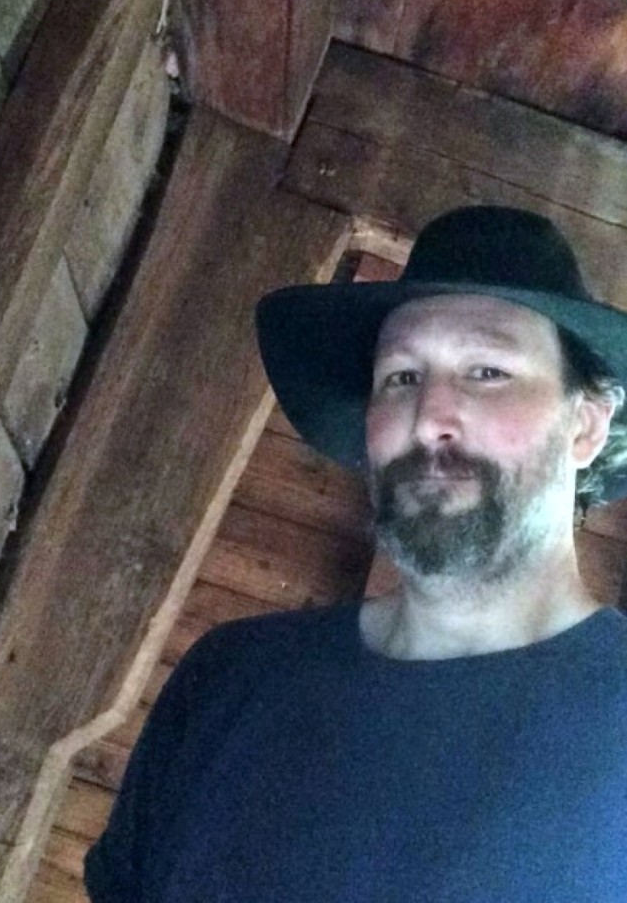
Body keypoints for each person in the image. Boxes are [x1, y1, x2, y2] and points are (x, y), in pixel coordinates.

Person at [85, 206, 627, 902]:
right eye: (400, 376)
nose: (429, 413)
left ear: (584, 424)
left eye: (487, 370)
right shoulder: (228, 682)